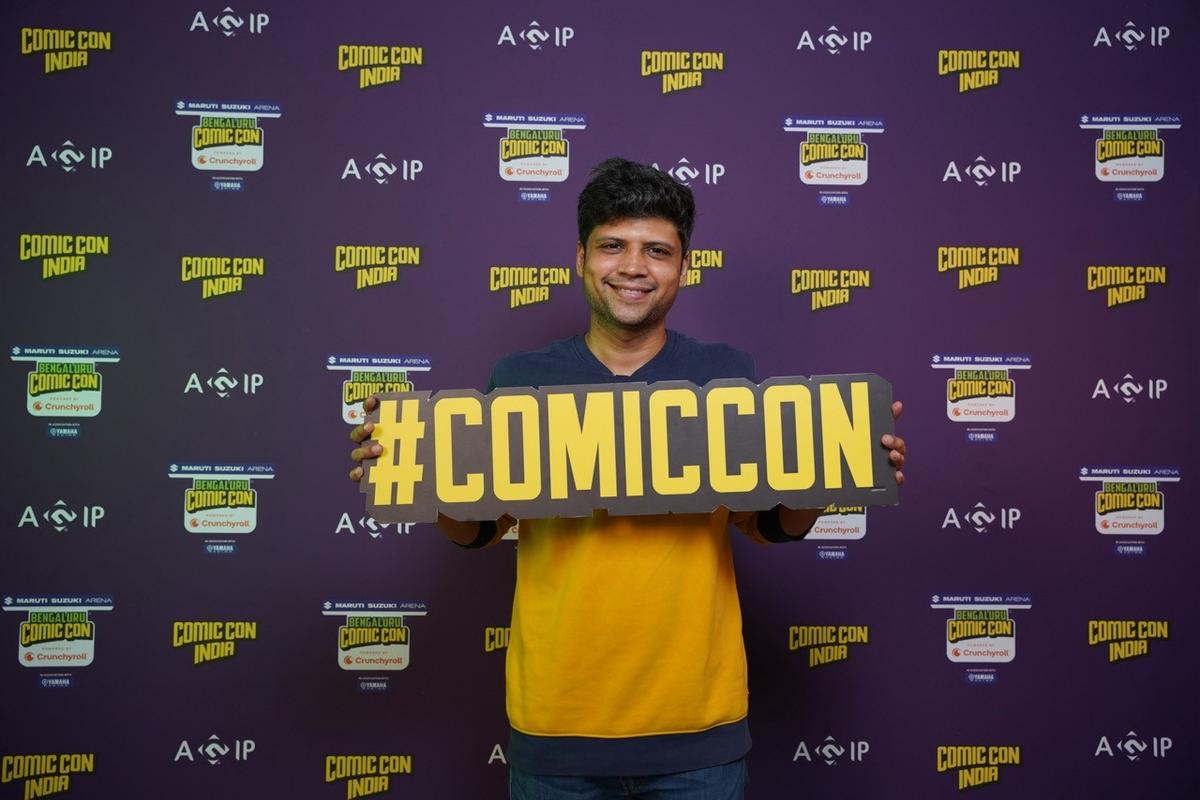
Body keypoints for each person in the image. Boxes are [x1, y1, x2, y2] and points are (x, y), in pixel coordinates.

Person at [349, 158, 906, 799]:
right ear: (580, 259)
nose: (634, 267)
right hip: (557, 727)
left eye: (657, 251)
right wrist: (414, 477)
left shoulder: (727, 373)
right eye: (613, 245)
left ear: (683, 268)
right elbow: (476, 528)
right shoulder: (519, 376)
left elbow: (771, 523)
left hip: (699, 732)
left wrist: (836, 468)